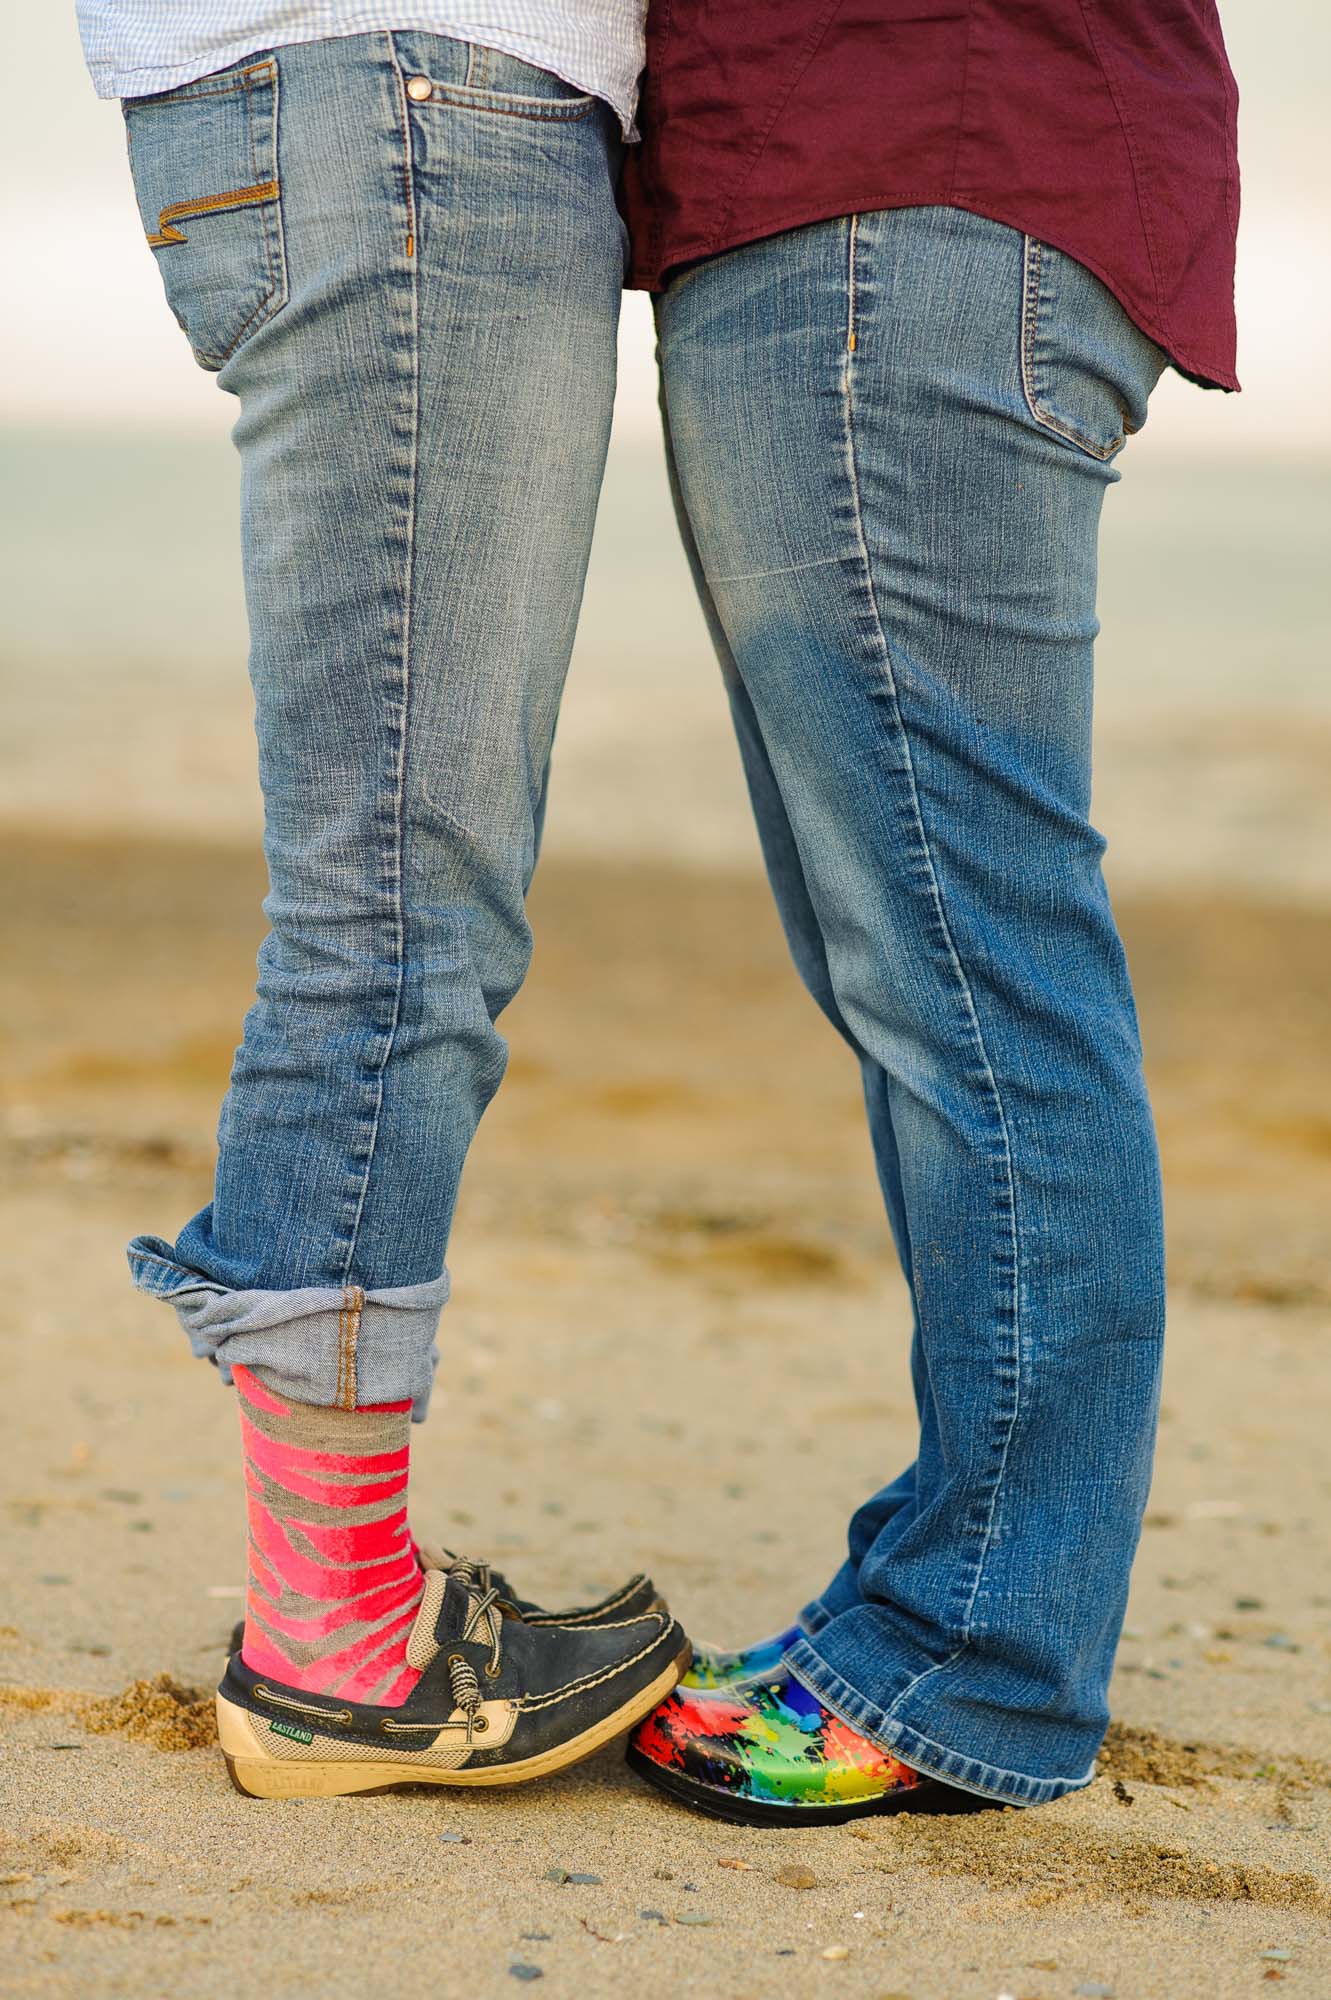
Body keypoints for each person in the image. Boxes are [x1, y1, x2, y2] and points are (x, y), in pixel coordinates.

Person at [621, 0, 1241, 1824]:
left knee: (975, 974)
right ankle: (953, 1582)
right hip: (873, 199)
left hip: (904, 191)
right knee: (933, 967)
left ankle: (980, 1657)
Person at [76, 1, 689, 1797]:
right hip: (416, 96)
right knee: (403, 900)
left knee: (396, 886)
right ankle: (337, 1645)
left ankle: (334, 1598)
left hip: (361, 105)